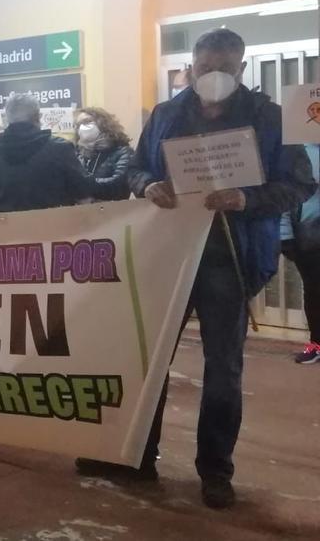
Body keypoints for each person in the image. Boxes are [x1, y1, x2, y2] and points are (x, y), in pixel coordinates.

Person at [95, 28, 315, 509]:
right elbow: (135, 168)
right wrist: (147, 184)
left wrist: (247, 198)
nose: (214, 76)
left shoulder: (269, 118)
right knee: (149, 360)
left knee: (223, 368)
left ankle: (215, 470)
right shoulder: (166, 115)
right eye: (205, 67)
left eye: (225, 68)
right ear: (190, 67)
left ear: (241, 67)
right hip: (168, 253)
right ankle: (138, 456)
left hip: (230, 260)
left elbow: (299, 183)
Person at [0, 94, 90, 214]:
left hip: (6, 230)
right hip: (55, 228)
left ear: (7, 119)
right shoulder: (60, 149)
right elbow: (84, 195)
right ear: (39, 117)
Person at [281, 144, 320, 364]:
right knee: (315, 293)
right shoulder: (299, 151)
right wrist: (285, 236)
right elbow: (287, 195)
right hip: (310, 235)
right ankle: (317, 344)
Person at [74, 107, 135, 202]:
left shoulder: (122, 151)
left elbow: (119, 184)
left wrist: (85, 183)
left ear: (103, 123)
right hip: (82, 212)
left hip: (114, 211)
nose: (82, 127)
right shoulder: (77, 153)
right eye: (78, 125)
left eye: (87, 122)